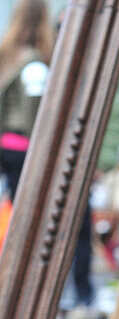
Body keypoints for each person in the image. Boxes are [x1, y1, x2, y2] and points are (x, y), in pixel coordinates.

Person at [0, 0, 53, 200]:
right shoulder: (34, 62)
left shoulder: (7, 56)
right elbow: (33, 112)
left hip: (8, 146)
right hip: (25, 149)